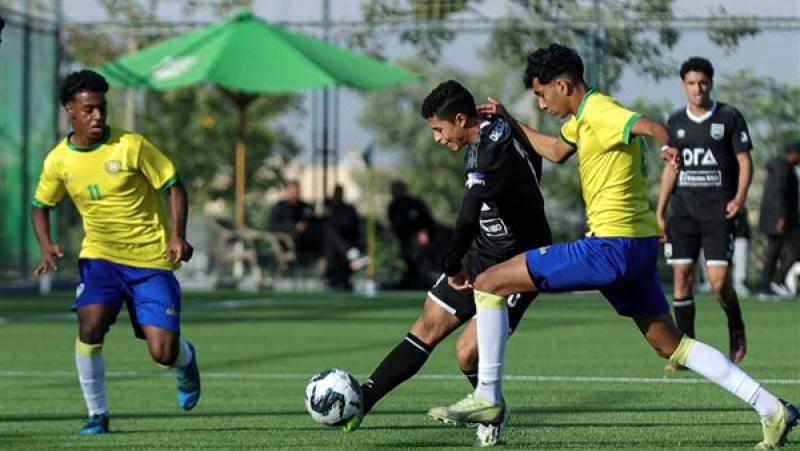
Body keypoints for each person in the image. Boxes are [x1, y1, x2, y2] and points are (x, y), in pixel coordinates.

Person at [431, 44, 798, 449]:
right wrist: (510, 120)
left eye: (542, 94)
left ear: (562, 85)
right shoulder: (582, 119)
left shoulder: (601, 111)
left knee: (489, 281)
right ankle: (771, 408)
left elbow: (649, 125)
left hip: (611, 247)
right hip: (637, 248)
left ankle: (487, 397)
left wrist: (667, 146)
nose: (542, 103)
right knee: (670, 345)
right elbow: (554, 151)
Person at [344, 80, 552, 448]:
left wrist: (452, 263)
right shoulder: (489, 132)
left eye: (439, 129)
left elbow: (468, 215)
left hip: (521, 259)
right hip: (484, 250)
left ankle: (491, 412)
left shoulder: (491, 149)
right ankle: (363, 401)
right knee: (427, 324)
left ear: (460, 119)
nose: (437, 138)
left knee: (466, 352)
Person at [31, 70, 201, 435]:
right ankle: (97, 414)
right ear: (70, 110)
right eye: (88, 109)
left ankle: (186, 361)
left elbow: (174, 185)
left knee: (163, 353)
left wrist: (177, 236)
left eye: (102, 108)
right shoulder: (58, 160)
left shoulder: (131, 146)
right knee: (90, 325)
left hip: (150, 261)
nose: (98, 116)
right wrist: (46, 245)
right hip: (100, 258)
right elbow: (40, 205)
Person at [655, 57, 751, 371]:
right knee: (682, 277)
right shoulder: (675, 121)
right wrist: (660, 210)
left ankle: (735, 323)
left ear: (711, 83)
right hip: (683, 212)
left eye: (703, 83)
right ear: (684, 85)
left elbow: (745, 162)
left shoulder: (729, 117)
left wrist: (739, 198)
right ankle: (685, 352)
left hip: (718, 212)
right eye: (692, 83)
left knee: (719, 282)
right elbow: (671, 168)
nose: (698, 89)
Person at [758, 141, 800, 298]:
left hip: (776, 217)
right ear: (794, 154)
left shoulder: (782, 168)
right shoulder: (783, 168)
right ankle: (777, 282)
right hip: (780, 218)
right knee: (796, 248)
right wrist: (781, 216)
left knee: (773, 252)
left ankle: (766, 287)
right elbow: (778, 192)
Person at [387, 180, 440, 289]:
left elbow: (427, 220)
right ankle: (412, 280)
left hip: (418, 238)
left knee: (418, 258)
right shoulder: (393, 206)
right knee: (408, 258)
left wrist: (424, 232)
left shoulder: (415, 203)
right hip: (404, 239)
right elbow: (394, 224)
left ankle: (422, 279)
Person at [321, 184, 363, 290]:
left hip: (348, 242)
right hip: (333, 246)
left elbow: (354, 227)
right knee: (331, 235)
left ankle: (340, 278)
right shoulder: (328, 209)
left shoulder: (348, 209)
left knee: (337, 246)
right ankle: (338, 277)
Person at [268, 180, 320, 263]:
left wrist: (305, 224)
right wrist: (293, 226)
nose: (295, 194)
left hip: (307, 241)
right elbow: (272, 225)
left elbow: (314, 220)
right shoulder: (279, 207)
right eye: (293, 192)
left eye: (297, 192)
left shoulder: (304, 207)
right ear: (287, 191)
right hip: (286, 240)